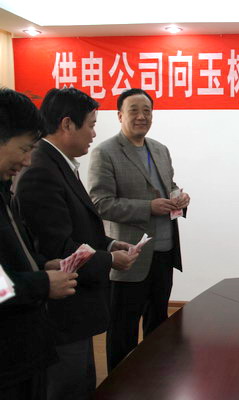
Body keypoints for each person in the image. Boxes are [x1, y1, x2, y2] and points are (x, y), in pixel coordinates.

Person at [12, 88, 138, 400]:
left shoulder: (59, 163)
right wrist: (110, 260)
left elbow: (78, 231)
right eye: (91, 125)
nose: (94, 133)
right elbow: (58, 248)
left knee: (82, 384)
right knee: (67, 388)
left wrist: (109, 245)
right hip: (61, 313)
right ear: (67, 124)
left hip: (75, 310)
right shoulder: (41, 170)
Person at [88, 88, 190, 371]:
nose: (142, 116)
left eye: (147, 110)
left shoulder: (160, 149)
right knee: (123, 329)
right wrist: (148, 207)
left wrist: (179, 196)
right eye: (134, 110)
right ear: (119, 115)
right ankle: (119, 385)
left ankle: (155, 380)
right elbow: (100, 203)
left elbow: (169, 186)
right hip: (129, 256)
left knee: (159, 326)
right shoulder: (105, 152)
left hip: (164, 253)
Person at [0, 88, 78, 400]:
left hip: (24, 350)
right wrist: (42, 283)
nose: (28, 160)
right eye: (24, 148)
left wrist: (41, 265)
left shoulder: (3, 189)